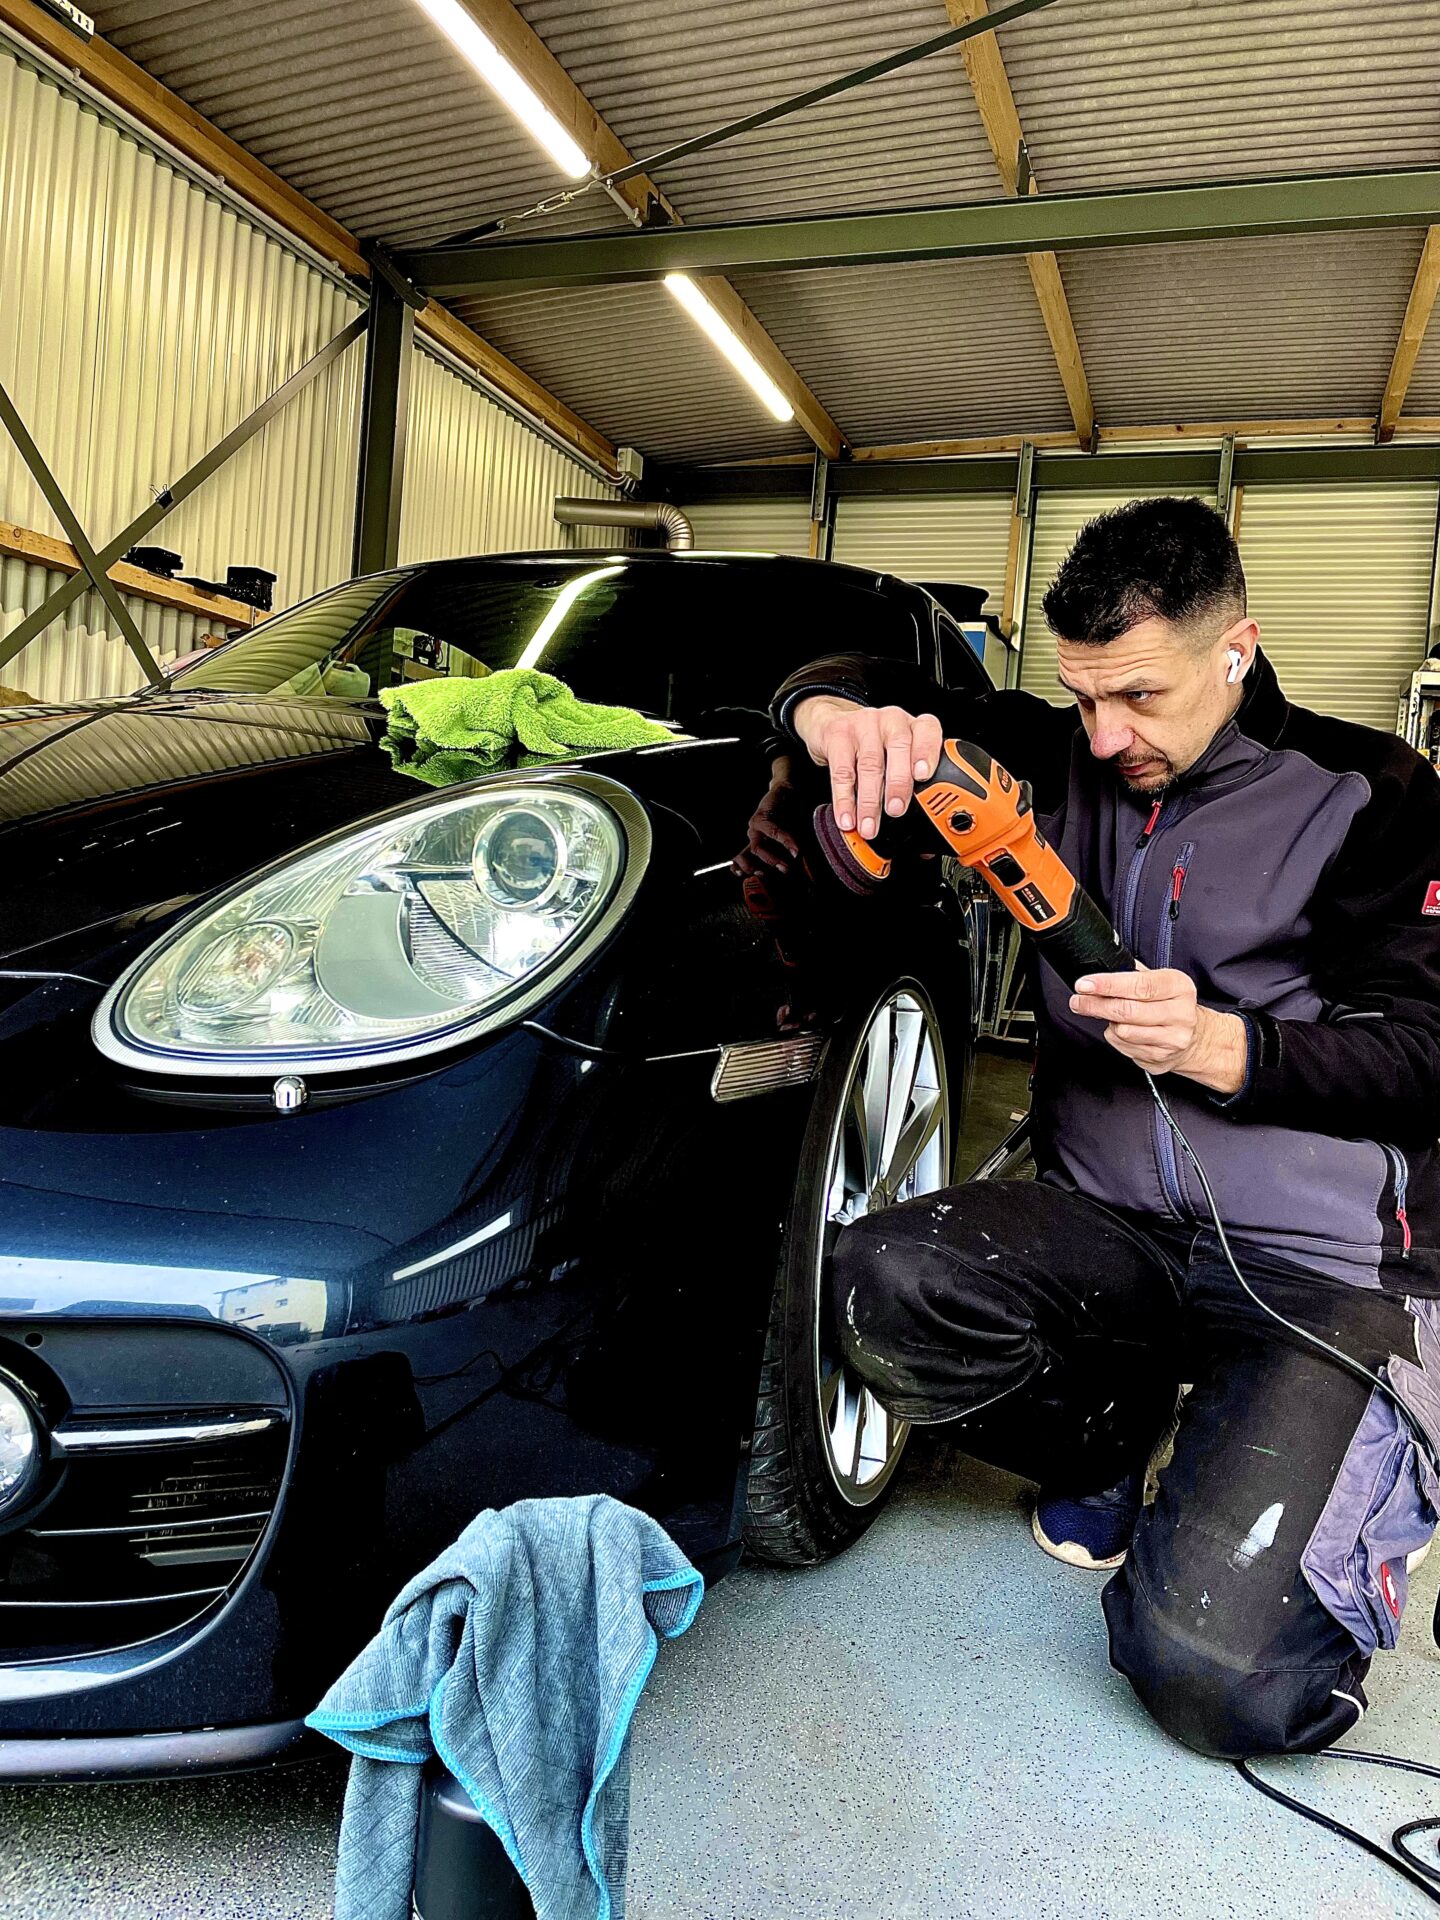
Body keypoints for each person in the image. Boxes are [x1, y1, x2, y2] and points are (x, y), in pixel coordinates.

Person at [769, 495, 1440, 1758]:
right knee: (883, 1281)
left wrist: (1230, 1045)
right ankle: (1115, 1431)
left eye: (1138, 696)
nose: (1104, 733)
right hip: (1110, 1233)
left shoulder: (1376, 793)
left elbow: (1428, 1056)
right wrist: (829, 719)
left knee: (1223, 1681)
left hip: (1325, 1270)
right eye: (1081, 696)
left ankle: (1291, 1450)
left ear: (1235, 649)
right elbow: (848, 672)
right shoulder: (1050, 751)